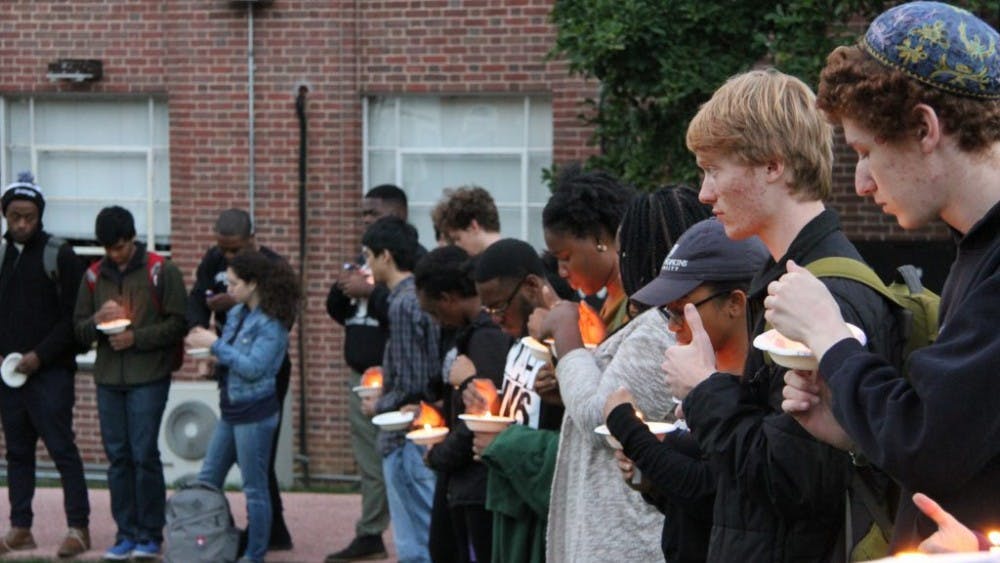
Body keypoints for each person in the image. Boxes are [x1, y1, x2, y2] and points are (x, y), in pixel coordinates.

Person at [765, 1, 1000, 551]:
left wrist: (829, 337)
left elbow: (928, 444)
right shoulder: (978, 249)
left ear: (924, 127)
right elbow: (954, 441)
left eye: (866, 151)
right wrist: (853, 423)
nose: (863, 183)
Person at [661, 69, 902, 561]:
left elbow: (795, 480)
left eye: (713, 169)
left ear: (772, 165)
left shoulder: (823, 293)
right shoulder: (794, 279)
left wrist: (705, 390)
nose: (704, 193)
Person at [529, 185, 712, 563]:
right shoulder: (658, 323)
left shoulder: (661, 328)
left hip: (628, 539)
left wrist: (567, 333)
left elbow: (602, 415)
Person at [602, 218, 768, 563]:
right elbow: (689, 505)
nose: (674, 327)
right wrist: (650, 478)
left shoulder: (764, 386)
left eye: (682, 311)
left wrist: (630, 431)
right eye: (668, 313)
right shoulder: (707, 376)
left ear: (735, 303)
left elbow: (712, 492)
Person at [74, 206, 187, 560]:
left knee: (144, 455)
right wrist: (96, 321)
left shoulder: (161, 270)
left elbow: (179, 323)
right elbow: (77, 331)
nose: (115, 255)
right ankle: (125, 533)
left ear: (132, 239)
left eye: (120, 247)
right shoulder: (93, 276)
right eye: (109, 249)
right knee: (118, 457)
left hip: (149, 376)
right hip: (108, 378)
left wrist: (136, 338)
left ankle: (149, 534)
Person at [186, 208, 293, 551]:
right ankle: (207, 543)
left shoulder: (271, 322)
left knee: (255, 485)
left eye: (233, 284)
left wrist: (215, 346)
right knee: (207, 479)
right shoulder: (235, 313)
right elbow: (223, 343)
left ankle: (257, 550)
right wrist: (210, 359)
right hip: (233, 405)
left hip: (256, 407)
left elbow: (255, 366)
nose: (227, 288)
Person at [0, 172, 90, 558]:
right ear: (5, 215)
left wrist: (41, 356)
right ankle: (21, 527)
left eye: (30, 216)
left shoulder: (60, 254)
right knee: (17, 452)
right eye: (16, 216)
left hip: (50, 371)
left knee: (61, 448)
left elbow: (74, 318)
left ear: (40, 216)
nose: (22, 223)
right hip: (10, 374)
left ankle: (78, 527)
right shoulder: (1, 255)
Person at [463, 238, 565, 563]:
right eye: (487, 310)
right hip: (509, 501)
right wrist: (490, 407)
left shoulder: (569, 343)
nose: (494, 318)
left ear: (532, 287)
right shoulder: (519, 340)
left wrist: (504, 441)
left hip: (542, 517)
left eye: (499, 307)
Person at [325, 184, 411, 562]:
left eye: (372, 214)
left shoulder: (410, 261)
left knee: (400, 461)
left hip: (394, 381)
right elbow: (337, 311)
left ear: (397, 214)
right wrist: (345, 289)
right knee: (369, 460)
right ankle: (371, 533)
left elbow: (403, 311)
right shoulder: (363, 260)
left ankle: (395, 534)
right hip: (360, 378)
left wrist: (370, 291)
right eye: (363, 214)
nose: (365, 221)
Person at [415, 246, 512, 563]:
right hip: (464, 480)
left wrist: (440, 454)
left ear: (448, 298)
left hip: (477, 482)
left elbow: (482, 412)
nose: (437, 321)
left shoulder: (485, 339)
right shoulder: (468, 333)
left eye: (434, 312)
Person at [358, 216, 441, 563]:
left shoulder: (403, 303)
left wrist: (381, 404)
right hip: (424, 430)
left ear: (386, 256)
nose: (367, 266)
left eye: (369, 256)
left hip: (407, 437)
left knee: (416, 545)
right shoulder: (418, 297)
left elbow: (413, 382)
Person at [541, 164, 634, 332]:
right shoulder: (613, 297)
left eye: (566, 257)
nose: (562, 272)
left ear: (598, 237)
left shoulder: (635, 303)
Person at [431, 186, 502, 256]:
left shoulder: (483, 264)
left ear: (473, 226)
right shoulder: (510, 256)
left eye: (458, 238)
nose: (456, 246)